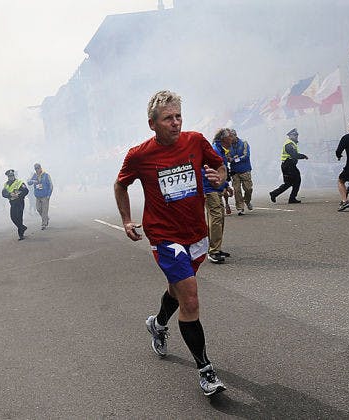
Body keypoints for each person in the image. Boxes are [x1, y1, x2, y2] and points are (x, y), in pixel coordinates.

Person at [114, 90, 227, 397]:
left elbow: (220, 166)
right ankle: (206, 371)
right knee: (190, 297)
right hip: (165, 236)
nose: (176, 123)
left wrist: (219, 178)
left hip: (196, 233)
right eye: (168, 118)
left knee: (177, 291)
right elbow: (120, 184)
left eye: (179, 116)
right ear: (153, 124)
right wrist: (126, 219)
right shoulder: (139, 155)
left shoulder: (196, 141)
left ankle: (158, 322)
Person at [203, 129, 232, 263]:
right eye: (230, 136)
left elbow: (220, 171)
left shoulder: (221, 151)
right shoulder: (214, 150)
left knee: (219, 217)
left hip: (217, 188)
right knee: (215, 218)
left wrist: (225, 185)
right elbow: (207, 170)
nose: (233, 138)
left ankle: (217, 248)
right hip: (210, 189)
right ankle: (213, 251)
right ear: (223, 139)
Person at [269, 128, 308, 204]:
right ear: (290, 136)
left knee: (289, 183)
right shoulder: (289, 144)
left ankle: (275, 194)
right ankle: (291, 198)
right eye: (294, 135)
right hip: (288, 165)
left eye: (297, 135)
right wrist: (303, 156)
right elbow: (294, 155)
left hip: (289, 165)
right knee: (296, 180)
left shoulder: (292, 143)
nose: (296, 136)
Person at [227, 129, 254, 215]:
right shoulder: (227, 145)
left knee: (248, 189)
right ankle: (240, 208)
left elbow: (246, 156)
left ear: (235, 135)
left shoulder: (244, 143)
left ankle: (247, 200)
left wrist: (234, 159)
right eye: (229, 137)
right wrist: (229, 159)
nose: (230, 139)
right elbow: (227, 156)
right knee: (237, 190)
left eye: (231, 136)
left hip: (245, 170)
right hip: (234, 171)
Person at [2, 169, 29, 240]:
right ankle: (22, 227)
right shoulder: (6, 184)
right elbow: (3, 194)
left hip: (20, 202)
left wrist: (19, 195)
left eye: (12, 175)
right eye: (10, 176)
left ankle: (21, 235)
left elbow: (26, 191)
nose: (11, 177)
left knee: (19, 218)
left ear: (14, 176)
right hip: (12, 203)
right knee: (13, 217)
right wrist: (10, 194)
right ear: (8, 177)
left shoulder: (19, 182)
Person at [27, 163, 53, 230]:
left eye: (38, 168)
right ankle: (46, 218)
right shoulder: (34, 175)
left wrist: (49, 195)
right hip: (37, 196)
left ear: (40, 168)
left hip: (45, 196)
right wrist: (32, 181)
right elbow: (29, 183)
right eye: (35, 168)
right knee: (38, 209)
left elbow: (51, 186)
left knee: (44, 210)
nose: (37, 170)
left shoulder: (46, 175)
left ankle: (44, 224)